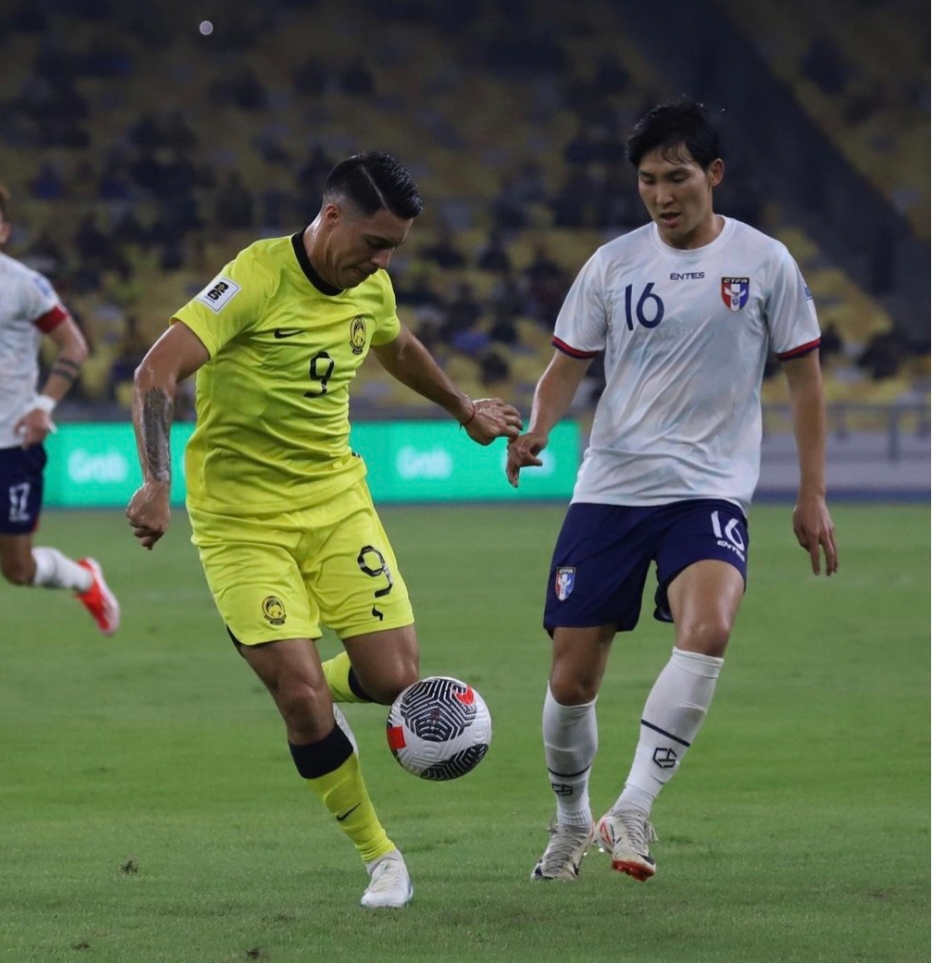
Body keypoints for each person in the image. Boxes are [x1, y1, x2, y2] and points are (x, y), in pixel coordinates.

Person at [125, 152, 522, 909]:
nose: (381, 262)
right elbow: (156, 372)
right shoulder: (255, 278)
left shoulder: (369, 283)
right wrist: (157, 479)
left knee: (395, 682)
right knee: (303, 700)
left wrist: (462, 407)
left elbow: (395, 343)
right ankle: (382, 856)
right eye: (374, 243)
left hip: (336, 501)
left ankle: (305, 677)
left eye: (394, 250)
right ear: (331, 216)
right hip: (242, 521)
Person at [506, 102, 839, 883]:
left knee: (711, 624)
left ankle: (636, 804)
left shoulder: (766, 263)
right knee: (572, 677)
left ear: (713, 175)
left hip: (710, 489)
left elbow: (806, 382)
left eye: (678, 176)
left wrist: (811, 492)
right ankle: (569, 818)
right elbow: (566, 365)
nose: (662, 194)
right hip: (612, 489)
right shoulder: (613, 263)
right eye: (649, 180)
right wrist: (542, 427)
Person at [0, 174, 121, 701]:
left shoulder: (24, 285)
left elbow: (74, 345)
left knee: (16, 568)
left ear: (4, 231)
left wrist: (42, 406)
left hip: (14, 443)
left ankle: (85, 579)